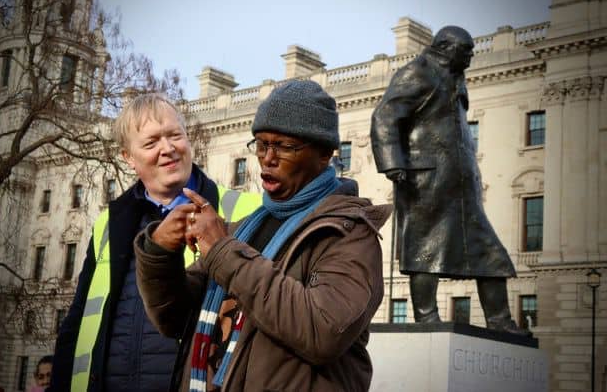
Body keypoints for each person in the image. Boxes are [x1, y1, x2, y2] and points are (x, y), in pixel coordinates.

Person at [134, 80, 391, 391]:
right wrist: (159, 252)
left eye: (284, 146)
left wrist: (223, 251)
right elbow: (174, 319)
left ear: (324, 154)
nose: (268, 158)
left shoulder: (349, 234)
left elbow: (323, 331)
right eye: (261, 144)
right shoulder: (243, 229)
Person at [48, 94, 260, 392]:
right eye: (151, 143)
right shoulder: (108, 224)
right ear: (128, 157)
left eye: (175, 135)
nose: (168, 149)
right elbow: (77, 322)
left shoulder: (247, 210)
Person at [370, 26, 528, 334]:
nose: (470, 56)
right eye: (465, 50)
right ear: (445, 47)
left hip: (458, 185)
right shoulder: (417, 72)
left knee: (490, 253)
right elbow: (384, 117)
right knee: (425, 249)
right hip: (424, 180)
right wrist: (393, 164)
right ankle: (427, 317)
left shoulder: (454, 76)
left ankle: (499, 321)